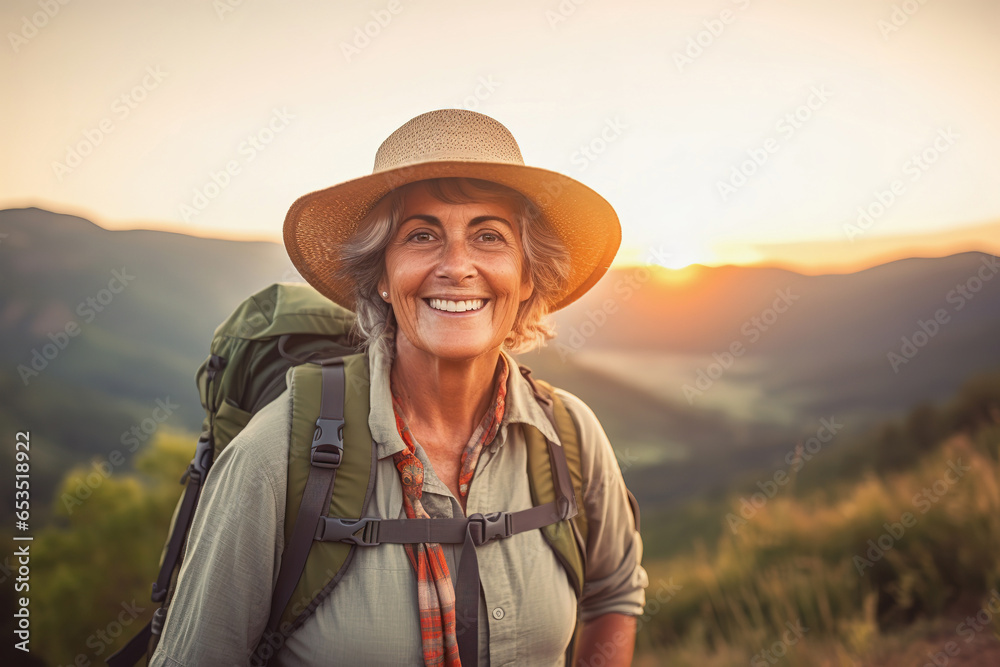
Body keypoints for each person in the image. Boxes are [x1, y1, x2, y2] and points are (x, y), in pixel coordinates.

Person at [149, 108, 647, 666]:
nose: (457, 266)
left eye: (488, 236)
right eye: (421, 235)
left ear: (527, 274)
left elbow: (613, 592)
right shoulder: (275, 454)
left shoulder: (570, 435)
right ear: (381, 275)